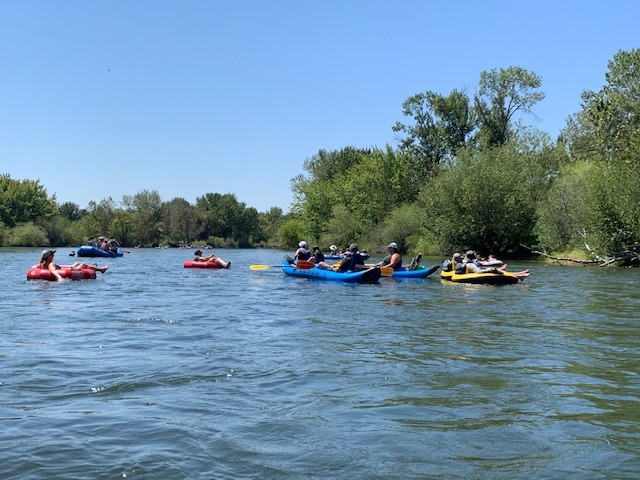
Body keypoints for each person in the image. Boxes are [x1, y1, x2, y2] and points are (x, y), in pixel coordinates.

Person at [35, 250, 108, 281]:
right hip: (70, 271)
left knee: (76, 263)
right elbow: (52, 270)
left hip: (68, 268)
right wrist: (59, 277)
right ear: (49, 256)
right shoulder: (51, 264)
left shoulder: (42, 264)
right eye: (52, 254)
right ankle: (101, 270)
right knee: (83, 264)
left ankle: (94, 267)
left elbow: (34, 267)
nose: (53, 255)